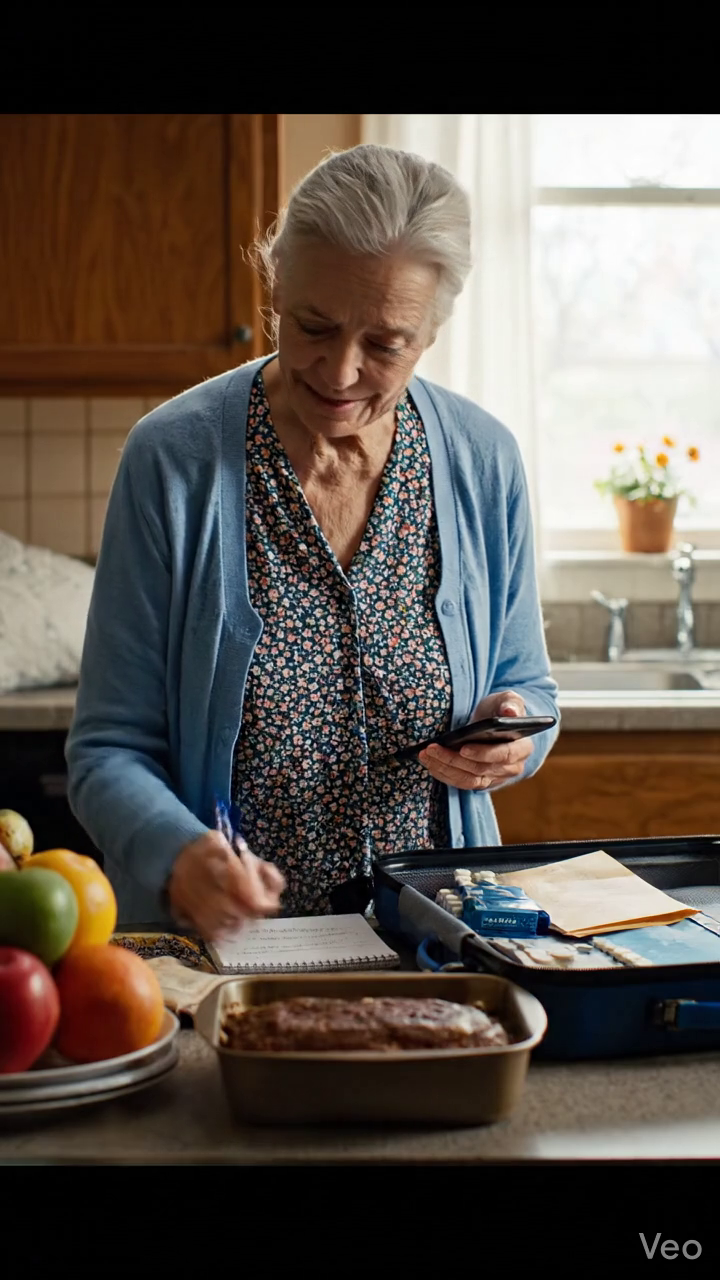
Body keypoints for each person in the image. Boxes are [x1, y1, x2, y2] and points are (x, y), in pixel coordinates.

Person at [65, 143, 559, 938]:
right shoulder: (174, 460)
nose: (339, 369)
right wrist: (178, 852)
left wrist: (514, 739)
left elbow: (530, 688)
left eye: (385, 343)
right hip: (235, 958)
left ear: (430, 333)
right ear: (276, 288)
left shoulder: (483, 460)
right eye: (314, 326)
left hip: (441, 942)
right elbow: (107, 750)